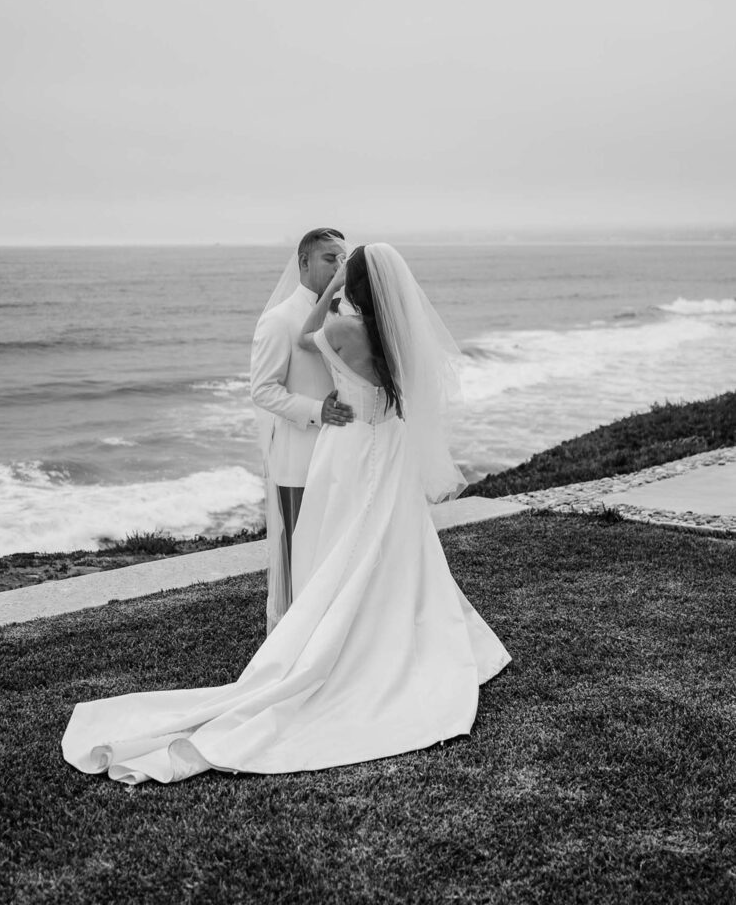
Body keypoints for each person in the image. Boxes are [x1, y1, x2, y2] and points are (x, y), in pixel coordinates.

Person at [61, 243, 510, 785]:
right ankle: (405, 626)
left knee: (346, 542)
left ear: (354, 283)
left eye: (343, 267)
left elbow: (305, 335)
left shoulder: (341, 328)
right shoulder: (394, 336)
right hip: (389, 444)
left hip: (350, 447)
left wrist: (333, 288)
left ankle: (336, 630)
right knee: (393, 539)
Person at [250, 228, 355, 634]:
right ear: (304, 262)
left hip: (343, 458)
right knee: (300, 557)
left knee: (335, 556)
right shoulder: (279, 320)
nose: (339, 266)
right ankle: (296, 639)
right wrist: (316, 411)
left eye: (343, 258)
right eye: (330, 258)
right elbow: (263, 390)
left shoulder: (344, 316)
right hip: (299, 461)